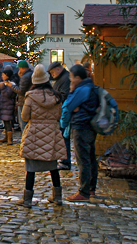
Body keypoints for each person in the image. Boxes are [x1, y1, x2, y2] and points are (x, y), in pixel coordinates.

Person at [16, 64, 67, 208]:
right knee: (53, 166)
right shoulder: (56, 97)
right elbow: (58, 116)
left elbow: (25, 116)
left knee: (31, 167)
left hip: (35, 133)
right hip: (52, 132)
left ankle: (27, 199)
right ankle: (57, 197)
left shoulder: (30, 97)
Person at [60, 64, 99, 202]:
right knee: (90, 157)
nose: (70, 81)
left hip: (81, 126)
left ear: (77, 77)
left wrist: (71, 92)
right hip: (90, 127)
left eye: (71, 78)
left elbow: (68, 105)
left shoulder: (81, 90)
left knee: (83, 159)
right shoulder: (92, 87)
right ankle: (91, 188)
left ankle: (84, 191)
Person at [48, 61, 72, 170]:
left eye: (53, 72)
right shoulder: (62, 78)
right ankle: (64, 159)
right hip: (61, 112)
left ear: (58, 69)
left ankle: (65, 161)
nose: (52, 75)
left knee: (64, 137)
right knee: (62, 137)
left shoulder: (65, 79)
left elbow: (64, 95)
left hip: (63, 113)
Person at [0, 66, 17, 145]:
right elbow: (2, 95)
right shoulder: (3, 83)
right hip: (4, 105)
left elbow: (8, 94)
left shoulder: (10, 84)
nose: (2, 76)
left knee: (8, 122)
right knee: (5, 122)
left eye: (3, 75)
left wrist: (2, 88)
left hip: (8, 105)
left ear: (7, 75)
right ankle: (6, 137)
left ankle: (10, 139)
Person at [12, 60, 33, 131]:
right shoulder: (30, 74)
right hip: (28, 100)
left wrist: (12, 86)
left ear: (21, 68)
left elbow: (20, 91)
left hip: (23, 101)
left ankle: (25, 139)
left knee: (23, 121)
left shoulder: (25, 77)